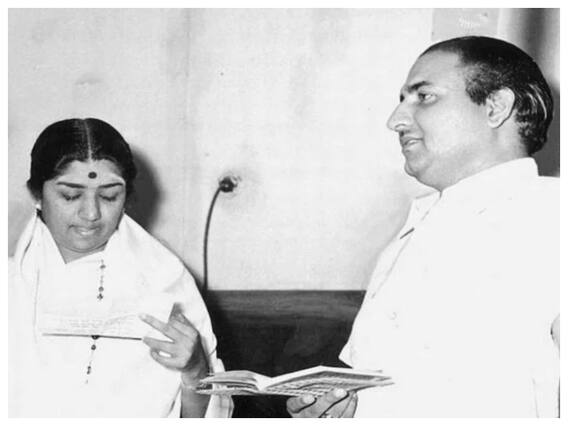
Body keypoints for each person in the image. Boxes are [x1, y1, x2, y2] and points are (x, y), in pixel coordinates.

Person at [287, 36, 559, 417]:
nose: (395, 120)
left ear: (495, 107)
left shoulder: (553, 221)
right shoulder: (408, 239)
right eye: (402, 99)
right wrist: (338, 411)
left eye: (424, 96)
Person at [8, 118, 232, 417]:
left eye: (109, 196)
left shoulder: (164, 281)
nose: (91, 213)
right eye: (71, 195)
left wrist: (195, 371)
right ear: (36, 194)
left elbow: (204, 416)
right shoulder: (11, 283)